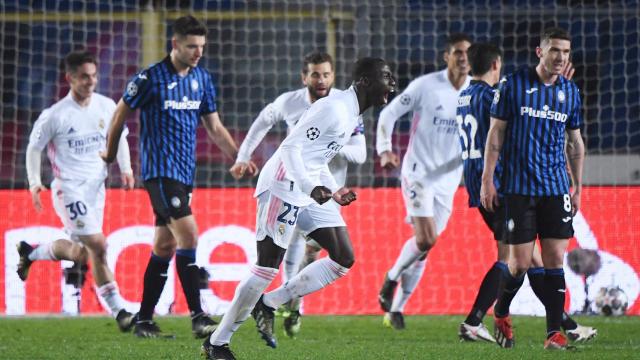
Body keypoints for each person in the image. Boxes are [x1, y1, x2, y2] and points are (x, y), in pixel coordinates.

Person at [202, 57, 395, 360]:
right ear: (365, 82)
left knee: (344, 257)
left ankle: (269, 303)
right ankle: (217, 343)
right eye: (386, 76)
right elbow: (291, 147)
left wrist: (334, 190)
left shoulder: (348, 112)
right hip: (282, 184)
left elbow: (315, 157)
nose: (392, 82)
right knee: (267, 267)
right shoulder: (334, 108)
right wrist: (310, 187)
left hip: (307, 188)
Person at [102, 15, 244, 338]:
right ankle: (198, 316)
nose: (198, 53)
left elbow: (215, 127)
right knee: (189, 236)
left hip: (184, 174)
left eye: (202, 47)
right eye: (192, 46)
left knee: (165, 246)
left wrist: (240, 157)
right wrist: (110, 155)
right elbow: (118, 115)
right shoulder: (149, 78)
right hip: (159, 173)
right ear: (175, 44)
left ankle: (144, 321)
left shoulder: (202, 79)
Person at [456, 43, 596, 344]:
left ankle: (563, 326)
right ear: (496, 64)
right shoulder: (489, 94)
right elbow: (513, 114)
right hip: (502, 182)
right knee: (512, 259)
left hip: (476, 177)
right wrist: (548, 88)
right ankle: (475, 320)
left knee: (532, 261)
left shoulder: (464, 94)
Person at [229, 51, 366, 339]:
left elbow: (361, 153)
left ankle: (292, 305)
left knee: (320, 251)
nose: (321, 80)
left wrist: (330, 147)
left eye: (326, 74)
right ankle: (272, 309)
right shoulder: (289, 102)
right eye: (315, 74)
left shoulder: (343, 106)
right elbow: (264, 123)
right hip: (292, 185)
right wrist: (243, 155)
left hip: (325, 189)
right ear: (304, 77)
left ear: (333, 76)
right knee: (282, 254)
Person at [21, 50, 136, 330]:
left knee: (85, 254)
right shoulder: (55, 115)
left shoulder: (107, 106)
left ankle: (31, 254)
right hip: (68, 189)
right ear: (70, 78)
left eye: (94, 76)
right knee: (99, 245)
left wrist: (126, 168)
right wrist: (35, 182)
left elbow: (118, 136)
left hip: (97, 189)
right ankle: (119, 310)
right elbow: (33, 149)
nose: (91, 81)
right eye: (84, 77)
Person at [376, 33, 472, 329]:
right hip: (418, 173)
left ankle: (396, 309)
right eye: (457, 52)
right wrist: (385, 150)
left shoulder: (478, 92)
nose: (463, 58)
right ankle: (390, 279)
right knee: (426, 237)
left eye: (468, 53)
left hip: (449, 181)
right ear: (446, 56)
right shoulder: (426, 86)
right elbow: (388, 114)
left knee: (425, 245)